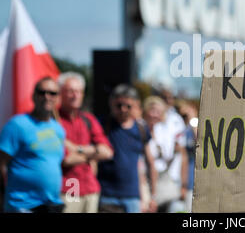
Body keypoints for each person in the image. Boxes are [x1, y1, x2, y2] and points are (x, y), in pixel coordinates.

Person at [0, 77, 66, 213]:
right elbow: (1, 163)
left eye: (52, 93)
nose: (47, 97)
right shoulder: (17, 124)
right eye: (42, 92)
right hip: (22, 205)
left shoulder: (58, 129)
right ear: (34, 96)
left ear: (58, 98)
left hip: (52, 205)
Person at [58, 72, 114, 213]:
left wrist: (77, 149)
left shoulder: (88, 119)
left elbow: (107, 152)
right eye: (70, 91)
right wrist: (93, 153)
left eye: (78, 91)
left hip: (90, 188)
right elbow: (67, 159)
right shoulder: (55, 121)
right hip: (69, 187)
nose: (75, 95)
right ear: (61, 93)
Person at [97, 84, 157, 213]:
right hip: (107, 195)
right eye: (119, 105)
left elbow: (150, 162)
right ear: (111, 103)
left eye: (128, 106)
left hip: (133, 197)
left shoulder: (141, 129)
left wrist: (152, 196)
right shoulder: (102, 125)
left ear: (136, 105)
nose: (123, 109)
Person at [143, 95, 188, 213]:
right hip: (144, 183)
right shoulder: (140, 128)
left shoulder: (166, 130)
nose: (154, 114)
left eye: (157, 111)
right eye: (151, 110)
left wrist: (184, 185)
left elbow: (181, 156)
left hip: (166, 183)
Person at [176, 100, 198, 213]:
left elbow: (200, 140)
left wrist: (193, 119)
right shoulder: (181, 129)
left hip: (195, 180)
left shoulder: (196, 125)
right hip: (185, 181)